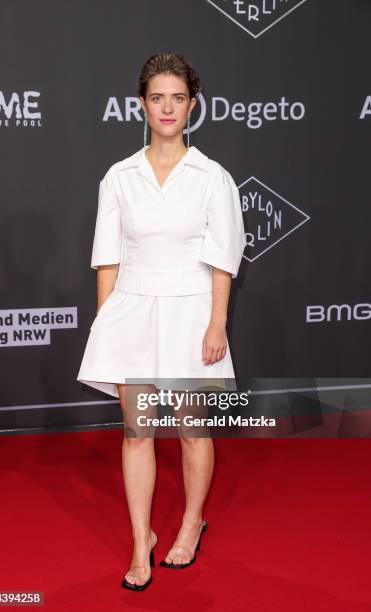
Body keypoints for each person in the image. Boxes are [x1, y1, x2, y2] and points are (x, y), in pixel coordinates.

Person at [77, 52, 246, 591]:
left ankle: (192, 522)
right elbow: (107, 257)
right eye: (157, 97)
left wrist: (217, 321)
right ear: (142, 105)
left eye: (178, 97)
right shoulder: (119, 176)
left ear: (192, 106)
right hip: (132, 310)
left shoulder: (212, 177)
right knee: (138, 433)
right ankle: (139, 543)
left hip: (192, 311)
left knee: (194, 431)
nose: (167, 107)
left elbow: (224, 256)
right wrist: (107, 323)